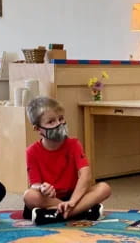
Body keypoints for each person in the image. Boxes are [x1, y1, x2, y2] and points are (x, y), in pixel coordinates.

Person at [22, 96, 111, 225]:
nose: (58, 124)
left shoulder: (74, 144)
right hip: (49, 199)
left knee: (104, 188)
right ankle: (82, 212)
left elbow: (85, 175)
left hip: (74, 195)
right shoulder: (31, 151)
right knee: (29, 196)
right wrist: (42, 188)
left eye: (61, 118)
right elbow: (34, 183)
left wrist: (73, 202)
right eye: (51, 121)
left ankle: (55, 214)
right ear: (37, 129)